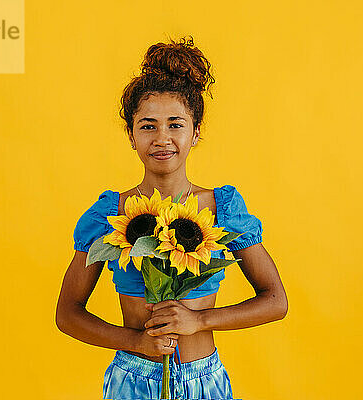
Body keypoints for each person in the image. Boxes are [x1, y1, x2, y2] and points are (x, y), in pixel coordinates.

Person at [55, 35, 288, 400]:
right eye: (148, 125)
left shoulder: (221, 208)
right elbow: (67, 313)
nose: (162, 138)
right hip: (132, 382)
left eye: (175, 124)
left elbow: (276, 300)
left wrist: (199, 321)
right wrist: (134, 341)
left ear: (196, 132)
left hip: (203, 381)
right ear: (131, 135)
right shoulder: (109, 214)